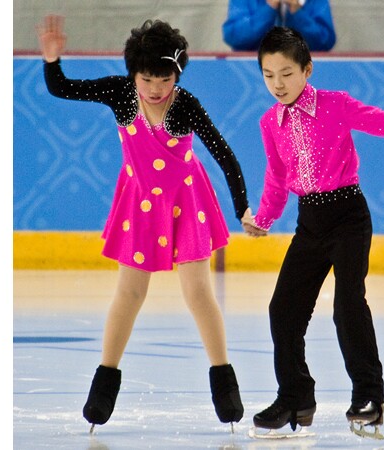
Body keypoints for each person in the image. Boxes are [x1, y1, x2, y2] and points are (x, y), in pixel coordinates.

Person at [241, 27, 384, 436]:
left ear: (307, 70)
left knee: (348, 306)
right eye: (268, 75)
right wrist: (264, 219)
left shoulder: (335, 105)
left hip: (348, 216)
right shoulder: (270, 122)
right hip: (309, 222)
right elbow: (278, 178)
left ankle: (368, 396)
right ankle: (296, 397)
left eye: (286, 73)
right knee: (283, 310)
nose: (277, 84)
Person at [35, 14, 250, 432]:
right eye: (147, 79)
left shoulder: (184, 105)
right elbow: (62, 88)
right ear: (133, 73)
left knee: (199, 292)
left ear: (177, 74)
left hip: (186, 202)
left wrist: (242, 208)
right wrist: (51, 61)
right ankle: (104, 385)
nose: (155, 89)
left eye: (165, 79)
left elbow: (225, 155)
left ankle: (224, 382)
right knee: (130, 293)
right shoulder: (120, 94)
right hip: (139, 202)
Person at [222, 0, 336, 52]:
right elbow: (234, 37)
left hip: (303, 74)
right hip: (254, 71)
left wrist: (297, 12)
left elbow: (325, 42)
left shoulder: (316, 2)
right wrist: (269, 8)